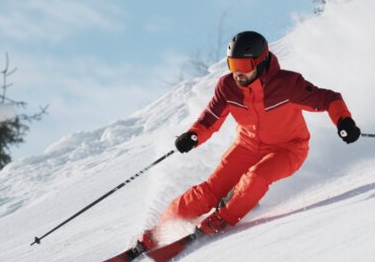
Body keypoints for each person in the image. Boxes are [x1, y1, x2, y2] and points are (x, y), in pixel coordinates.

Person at [140, 30, 360, 248]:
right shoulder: (227, 87)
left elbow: (329, 99)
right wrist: (193, 136)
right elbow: (210, 119)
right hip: (247, 146)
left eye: (244, 67)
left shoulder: (287, 84)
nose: (238, 74)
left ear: (261, 62)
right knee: (209, 191)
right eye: (232, 65)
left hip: (288, 149)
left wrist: (344, 122)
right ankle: (163, 228)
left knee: (256, 177)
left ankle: (223, 217)